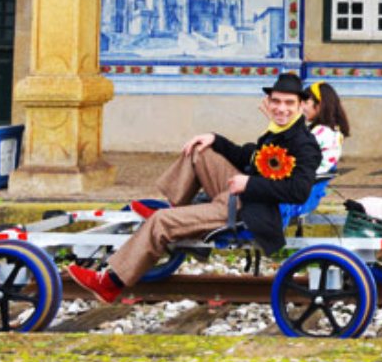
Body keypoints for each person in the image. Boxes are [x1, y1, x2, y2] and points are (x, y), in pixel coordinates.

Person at [68, 72, 324, 303]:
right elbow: (251, 157)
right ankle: (174, 209)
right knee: (200, 152)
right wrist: (215, 139)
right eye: (276, 102)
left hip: (251, 211)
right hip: (242, 196)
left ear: (301, 106)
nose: (281, 108)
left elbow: (298, 191)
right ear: (268, 102)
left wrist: (250, 183)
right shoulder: (278, 131)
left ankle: (109, 284)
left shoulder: (303, 144)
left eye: (289, 103)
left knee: (160, 221)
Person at [301, 80, 350, 174]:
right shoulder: (332, 130)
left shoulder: (323, 133)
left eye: (306, 103)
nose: (302, 107)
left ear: (320, 105)